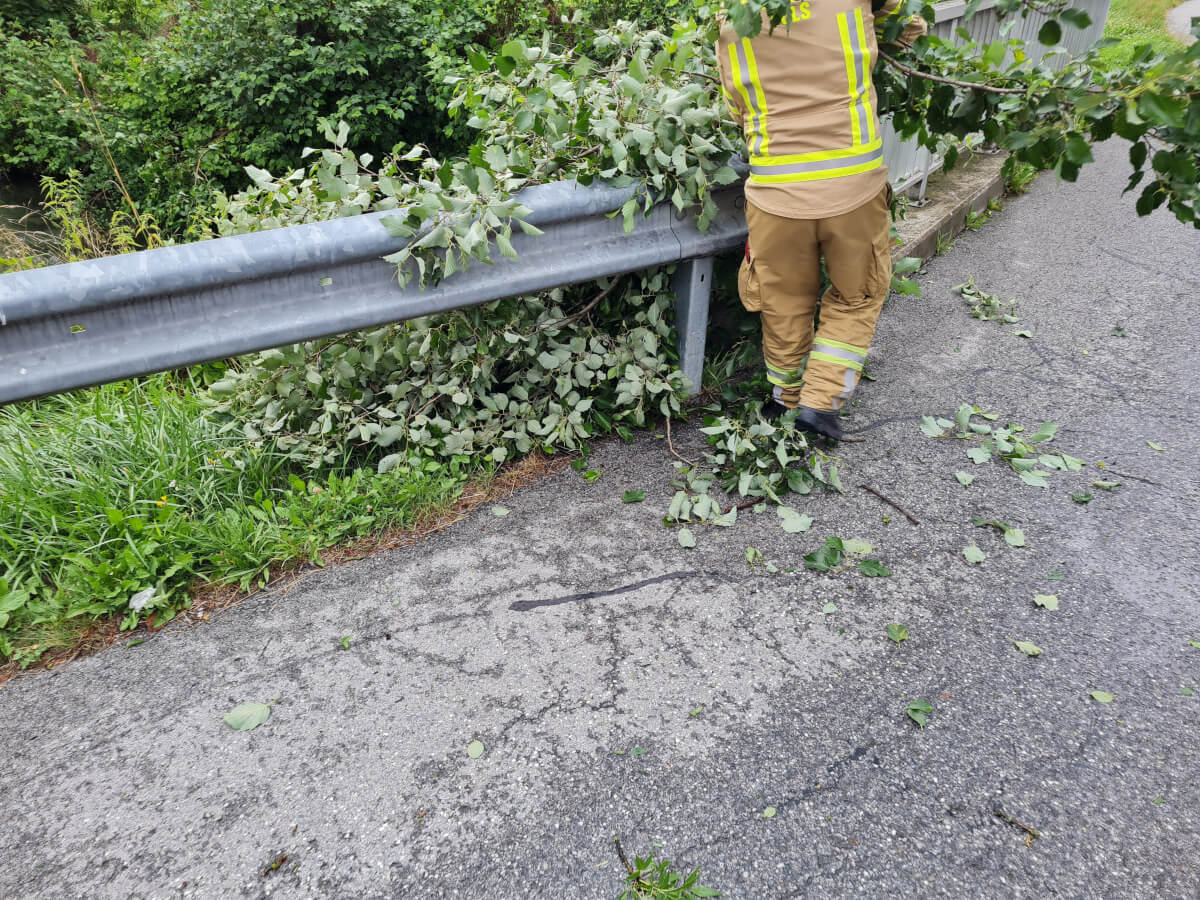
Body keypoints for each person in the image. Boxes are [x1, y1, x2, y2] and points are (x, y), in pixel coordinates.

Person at [717, 0, 926, 441]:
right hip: (852, 188)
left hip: (775, 192)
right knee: (857, 295)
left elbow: (736, 106)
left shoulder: (731, 15)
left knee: (783, 299)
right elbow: (901, 21)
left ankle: (785, 400)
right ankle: (820, 404)